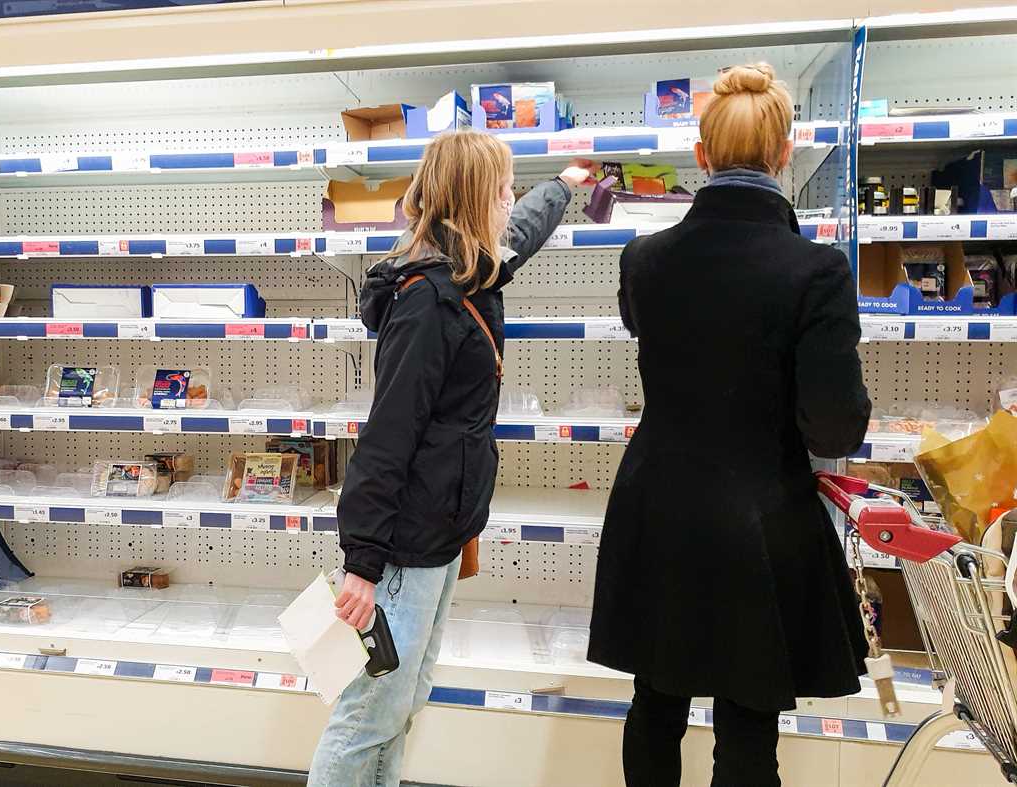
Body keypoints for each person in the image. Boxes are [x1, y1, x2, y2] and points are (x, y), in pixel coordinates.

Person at [588, 63, 872, 787]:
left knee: (654, 701)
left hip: (657, 508)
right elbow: (833, 428)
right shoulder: (816, 271)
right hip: (760, 516)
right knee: (748, 723)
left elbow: (651, 331)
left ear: (702, 157)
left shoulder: (643, 259)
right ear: (784, 155)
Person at [308, 130, 592, 787]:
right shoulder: (428, 304)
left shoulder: (468, 266)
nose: (508, 198)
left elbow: (520, 228)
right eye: (501, 187)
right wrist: (362, 564)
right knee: (367, 715)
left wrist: (564, 186)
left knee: (400, 703)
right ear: (471, 199)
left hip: (436, 535)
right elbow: (386, 438)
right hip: (402, 548)